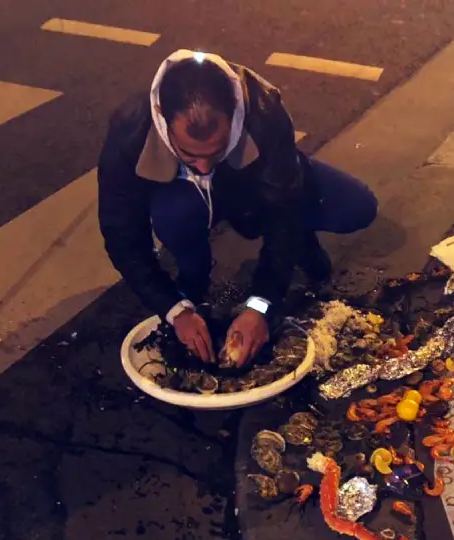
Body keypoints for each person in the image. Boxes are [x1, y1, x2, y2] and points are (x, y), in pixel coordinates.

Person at [97, 49, 378, 366]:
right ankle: (192, 286)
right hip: (185, 200)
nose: (203, 168)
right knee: (174, 215)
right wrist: (173, 309)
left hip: (251, 190)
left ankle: (303, 241)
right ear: (161, 113)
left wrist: (260, 305)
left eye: (215, 152)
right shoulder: (130, 129)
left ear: (234, 109)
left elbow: (286, 205)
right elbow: (122, 233)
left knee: (357, 206)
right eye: (189, 156)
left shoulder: (263, 108)